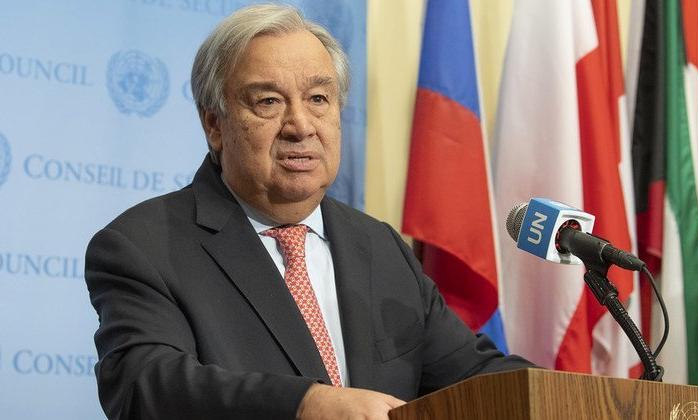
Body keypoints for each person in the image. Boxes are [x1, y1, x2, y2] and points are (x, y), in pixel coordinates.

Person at [85, 4, 533, 419]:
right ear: (215, 124)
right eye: (268, 101)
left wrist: (571, 394)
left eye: (318, 99)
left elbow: (472, 375)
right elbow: (143, 386)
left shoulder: (378, 246)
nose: (300, 126)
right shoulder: (144, 246)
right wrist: (305, 405)